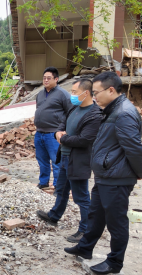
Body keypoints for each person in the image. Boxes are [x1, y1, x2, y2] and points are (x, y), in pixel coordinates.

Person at [64, 72, 142, 275]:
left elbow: (134, 148)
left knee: (116, 221)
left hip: (117, 176)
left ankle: (114, 263)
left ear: (111, 90)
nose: (94, 97)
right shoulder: (111, 110)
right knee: (96, 214)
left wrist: (140, 171)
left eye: (96, 92)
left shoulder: (124, 113)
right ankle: (85, 247)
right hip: (106, 174)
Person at [36, 79, 101, 242]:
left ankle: (86, 230)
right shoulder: (74, 108)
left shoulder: (95, 115)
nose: (71, 95)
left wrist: (63, 138)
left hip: (79, 160)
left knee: (81, 196)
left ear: (86, 93)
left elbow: (84, 140)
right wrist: (58, 133)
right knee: (62, 189)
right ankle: (54, 215)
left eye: (74, 92)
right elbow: (62, 125)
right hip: (65, 156)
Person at [34, 67, 72, 190]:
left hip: (54, 133)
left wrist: (63, 130)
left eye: (49, 78)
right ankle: (43, 182)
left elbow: (70, 112)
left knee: (57, 161)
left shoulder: (62, 94)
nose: (46, 80)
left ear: (56, 79)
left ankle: (58, 185)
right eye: (44, 78)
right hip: (40, 132)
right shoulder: (40, 94)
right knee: (42, 160)